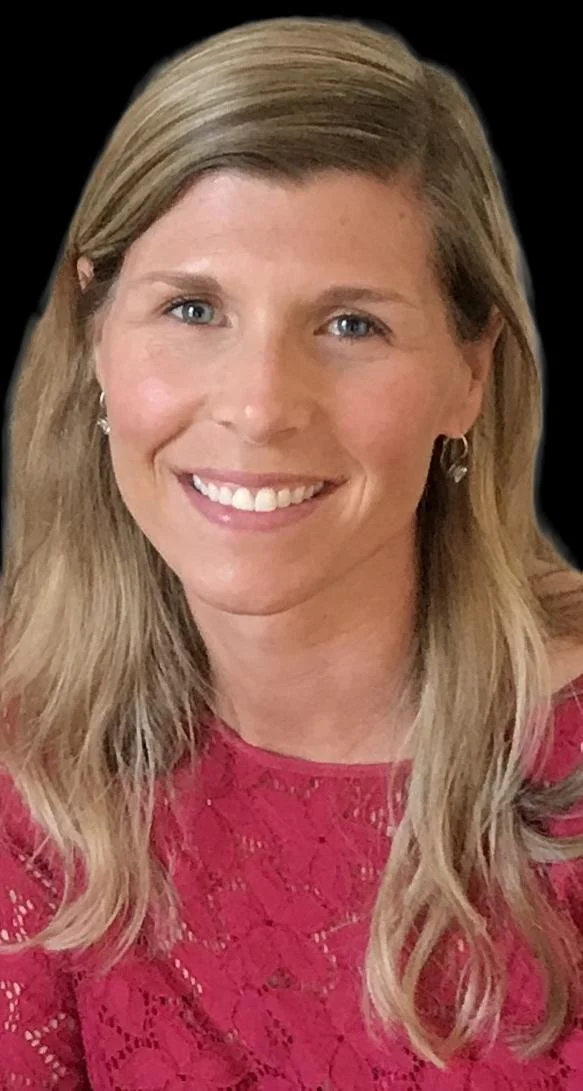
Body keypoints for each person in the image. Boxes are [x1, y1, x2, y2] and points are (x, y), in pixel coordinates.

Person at [1, 14, 582, 1090]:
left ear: (469, 371)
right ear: (93, 340)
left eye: (350, 324)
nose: (262, 406)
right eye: (191, 307)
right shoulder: (32, 778)